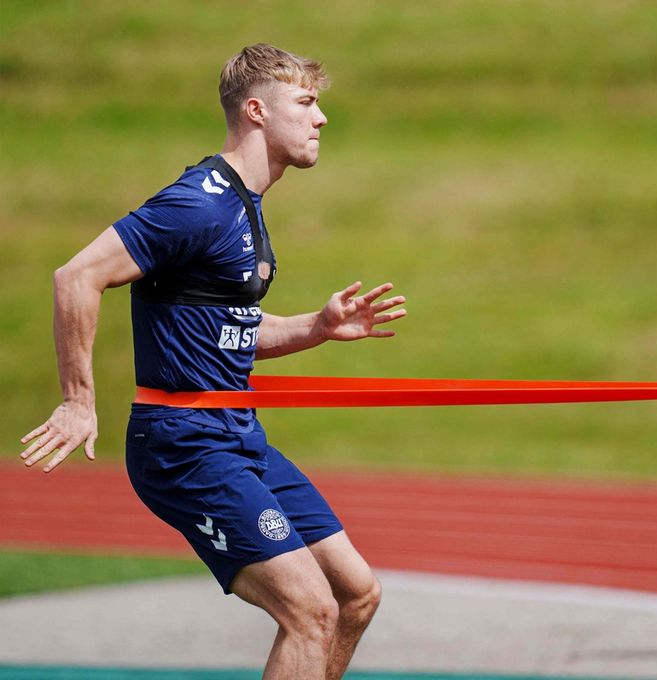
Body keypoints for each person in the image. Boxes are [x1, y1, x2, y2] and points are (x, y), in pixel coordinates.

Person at [20, 44, 406, 678]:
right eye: (306, 104)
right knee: (309, 612)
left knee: (355, 595)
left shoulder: (247, 207)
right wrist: (78, 399)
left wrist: (320, 326)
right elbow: (77, 276)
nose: (322, 119)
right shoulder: (198, 203)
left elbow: (232, 331)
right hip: (184, 445)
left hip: (238, 433)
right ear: (256, 111)